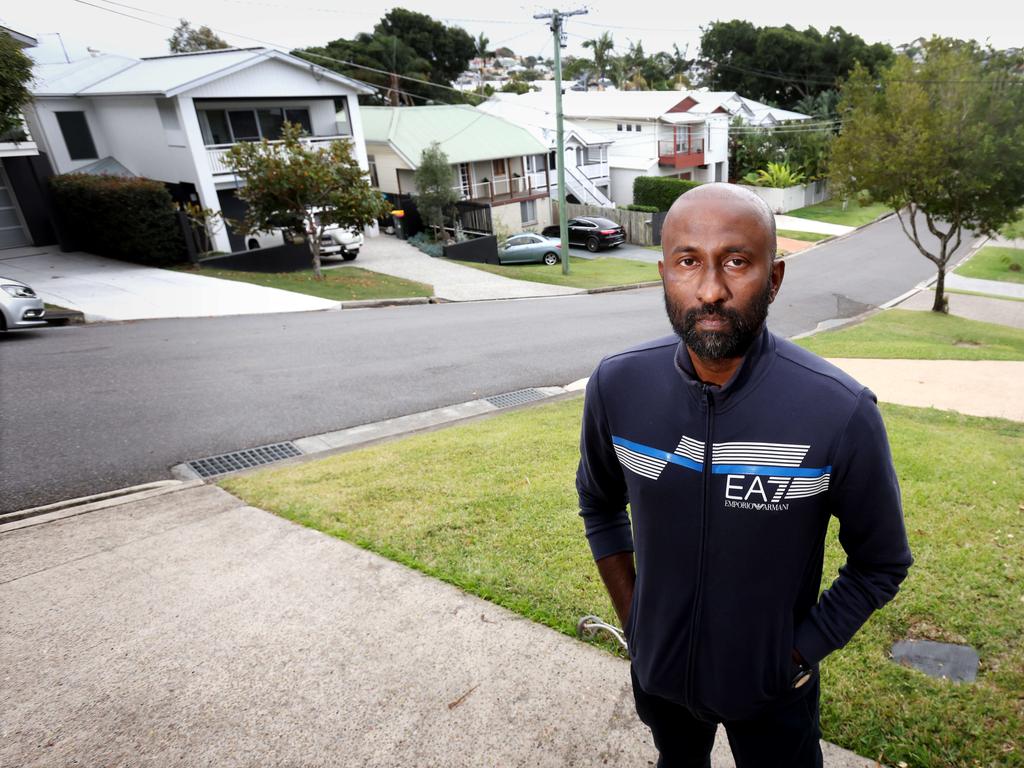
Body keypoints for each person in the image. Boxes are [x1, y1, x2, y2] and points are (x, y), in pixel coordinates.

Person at [576, 183, 912, 768]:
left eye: (737, 262)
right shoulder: (617, 385)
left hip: (773, 696)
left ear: (775, 278)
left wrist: (797, 654)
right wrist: (637, 622)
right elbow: (598, 503)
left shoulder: (839, 411)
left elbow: (881, 561)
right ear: (663, 273)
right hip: (660, 683)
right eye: (688, 262)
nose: (710, 290)